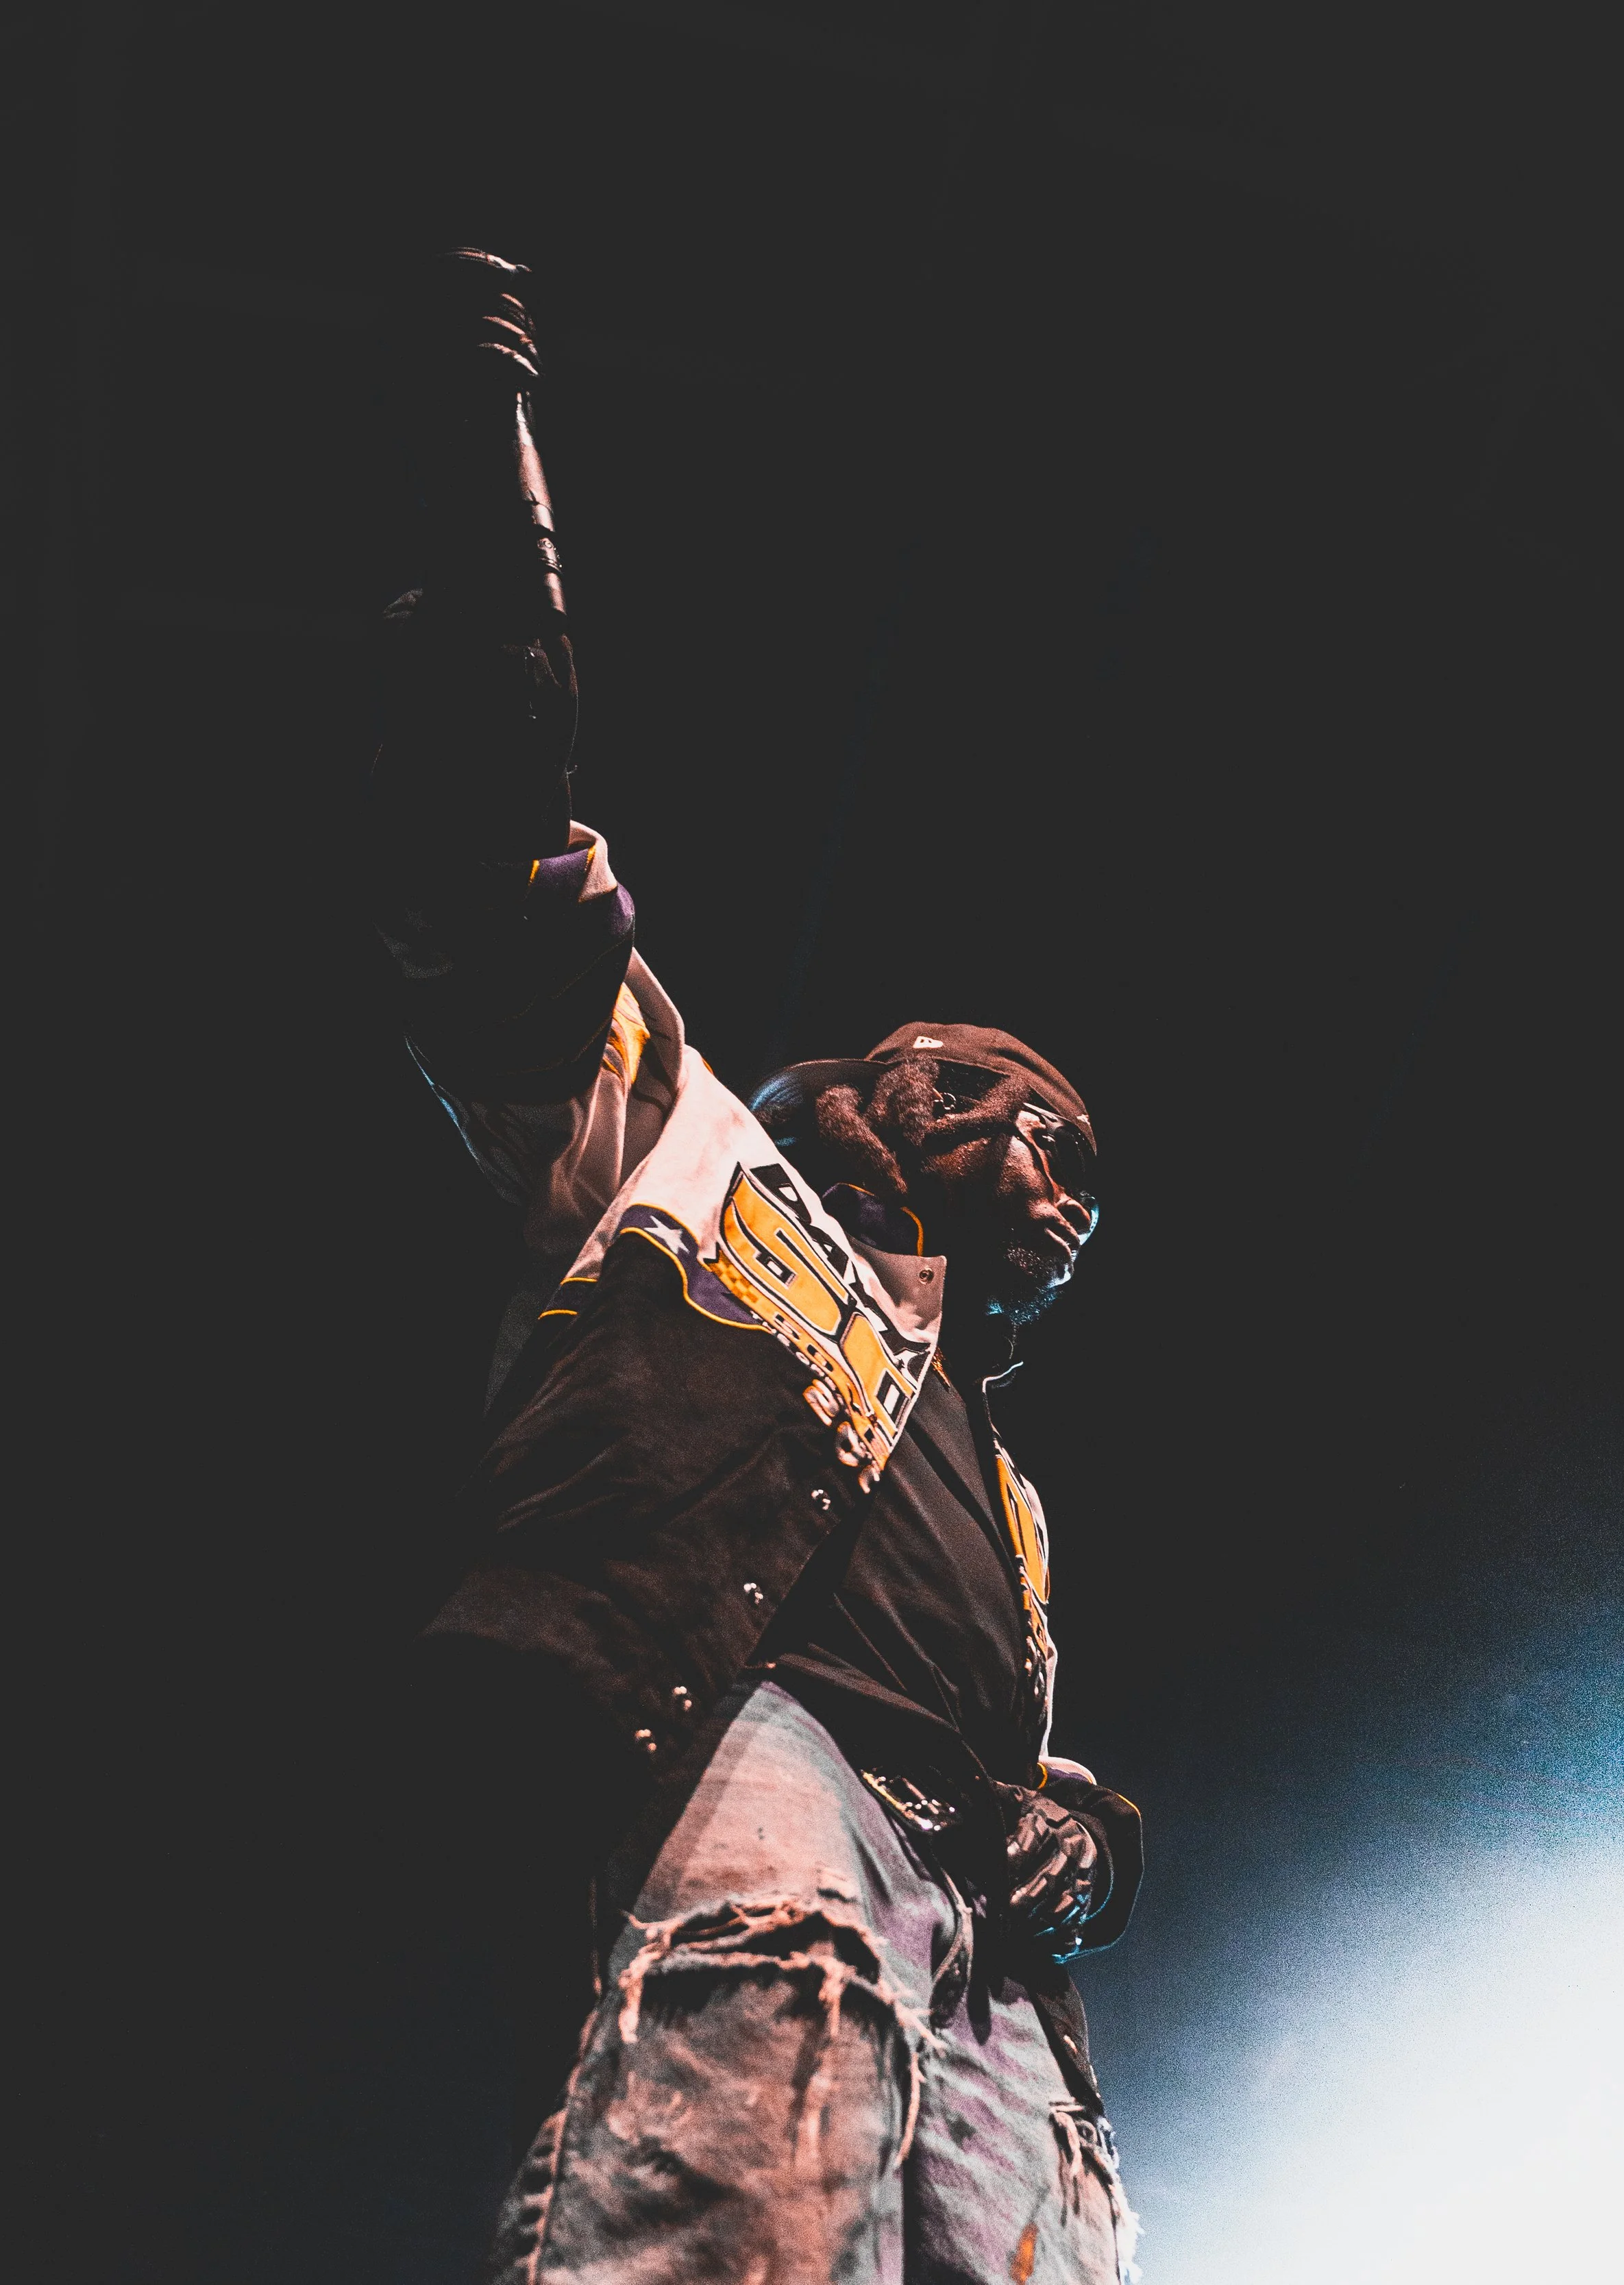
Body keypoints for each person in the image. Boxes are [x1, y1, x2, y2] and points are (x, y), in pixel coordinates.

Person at [371, 251, 1142, 2284]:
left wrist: (1088, 1825)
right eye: (1005, 1100)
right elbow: (488, 877)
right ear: (894, 1088)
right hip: (761, 1753)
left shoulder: (1007, 1491)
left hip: (978, 1921)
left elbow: (1017, 1731)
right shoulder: (693, 1151)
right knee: (758, 2133)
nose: (1046, 1158)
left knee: (1035, 2247)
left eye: (1075, 1159)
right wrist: (485, 496)